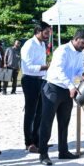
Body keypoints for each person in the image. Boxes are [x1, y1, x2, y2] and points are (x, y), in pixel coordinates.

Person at [39, 29, 84, 166]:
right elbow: (58, 70)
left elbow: (78, 68)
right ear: (76, 39)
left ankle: (63, 151)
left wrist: (82, 73)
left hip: (67, 90)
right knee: (47, 122)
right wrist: (71, 86)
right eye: (83, 43)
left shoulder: (80, 53)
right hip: (53, 88)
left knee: (64, 122)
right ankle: (43, 154)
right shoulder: (62, 50)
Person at [21, 21, 50, 153]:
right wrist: (45, 67)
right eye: (46, 33)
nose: (48, 35)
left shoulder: (43, 44)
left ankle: (37, 140)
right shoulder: (29, 44)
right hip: (30, 80)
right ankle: (29, 142)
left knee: (40, 112)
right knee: (30, 112)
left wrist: (45, 70)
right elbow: (27, 67)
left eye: (49, 33)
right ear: (38, 31)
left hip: (41, 80)